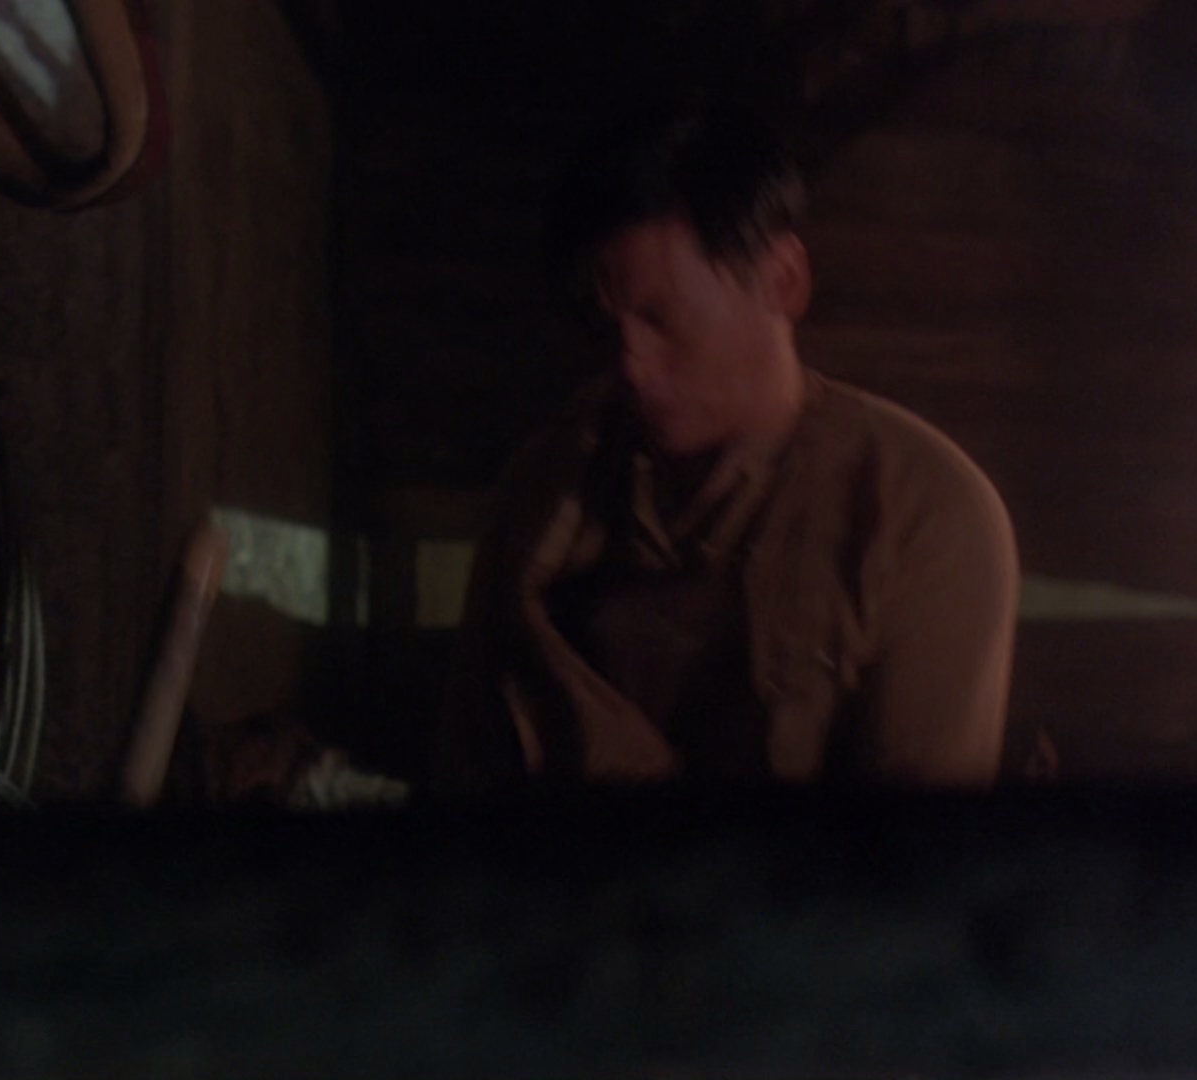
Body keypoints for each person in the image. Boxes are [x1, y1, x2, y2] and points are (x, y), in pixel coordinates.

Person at [434, 97, 1019, 791]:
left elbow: (918, 847)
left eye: (663, 319)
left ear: (783, 281)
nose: (631, 364)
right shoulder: (545, 492)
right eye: (607, 326)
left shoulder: (920, 513)